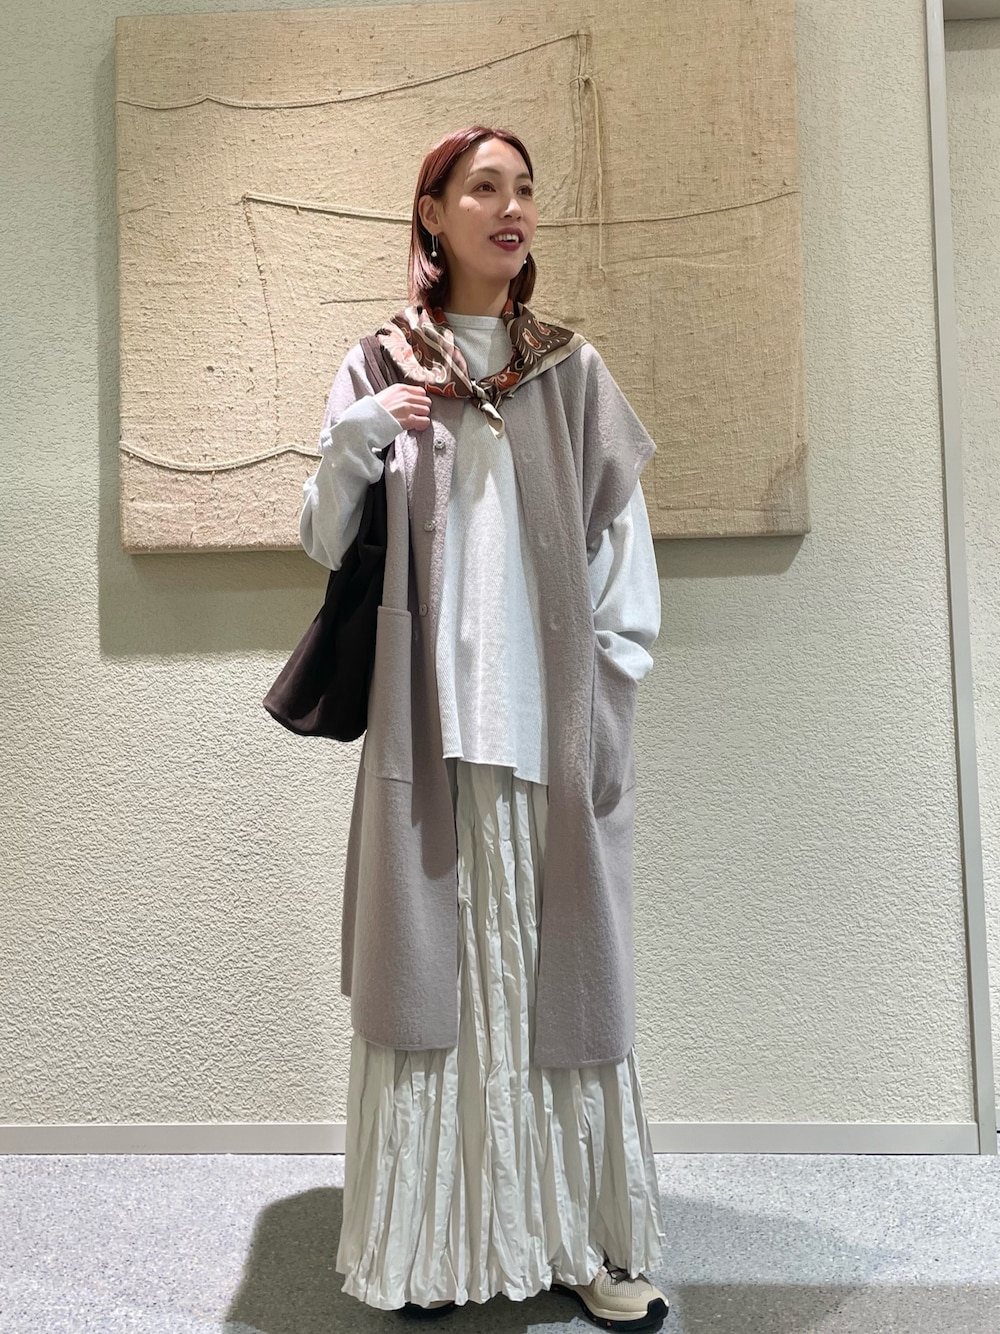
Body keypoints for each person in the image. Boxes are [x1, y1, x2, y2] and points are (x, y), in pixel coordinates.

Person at [299, 125, 670, 1331]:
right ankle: (427, 1246)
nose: (511, 208)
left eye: (524, 190)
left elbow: (623, 550)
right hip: (434, 733)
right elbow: (321, 538)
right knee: (432, 988)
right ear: (433, 212)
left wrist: (609, 683)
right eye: (483, 187)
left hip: (549, 734)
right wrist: (362, 435)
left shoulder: (569, 371)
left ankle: (588, 1239)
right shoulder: (377, 365)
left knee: (567, 984)